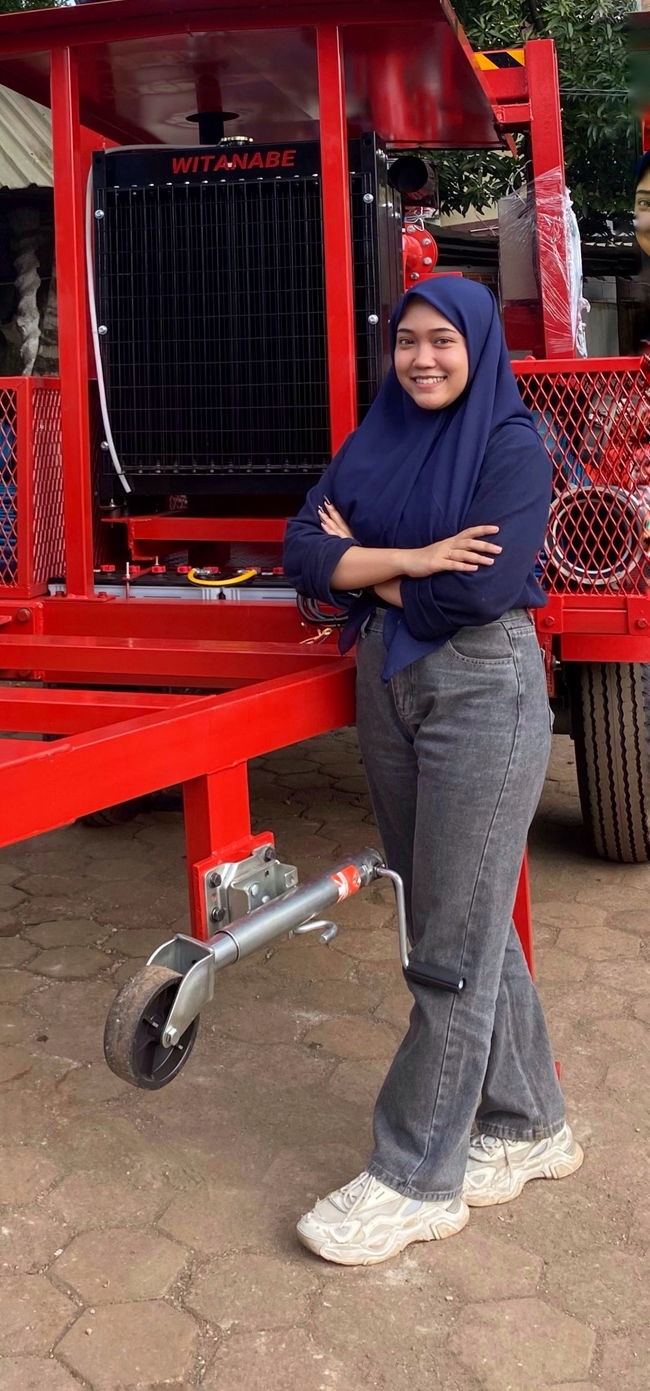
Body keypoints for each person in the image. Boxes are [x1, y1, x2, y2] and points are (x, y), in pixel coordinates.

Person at [282, 274, 582, 1267]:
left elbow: (485, 585)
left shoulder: (513, 445)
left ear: (479, 346)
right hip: (388, 686)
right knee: (462, 913)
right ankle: (531, 1121)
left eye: (442, 341)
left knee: (447, 944)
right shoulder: (375, 439)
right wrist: (415, 556)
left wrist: (361, 560)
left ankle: (415, 1174)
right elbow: (297, 548)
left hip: (479, 691)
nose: (420, 358)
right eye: (407, 340)